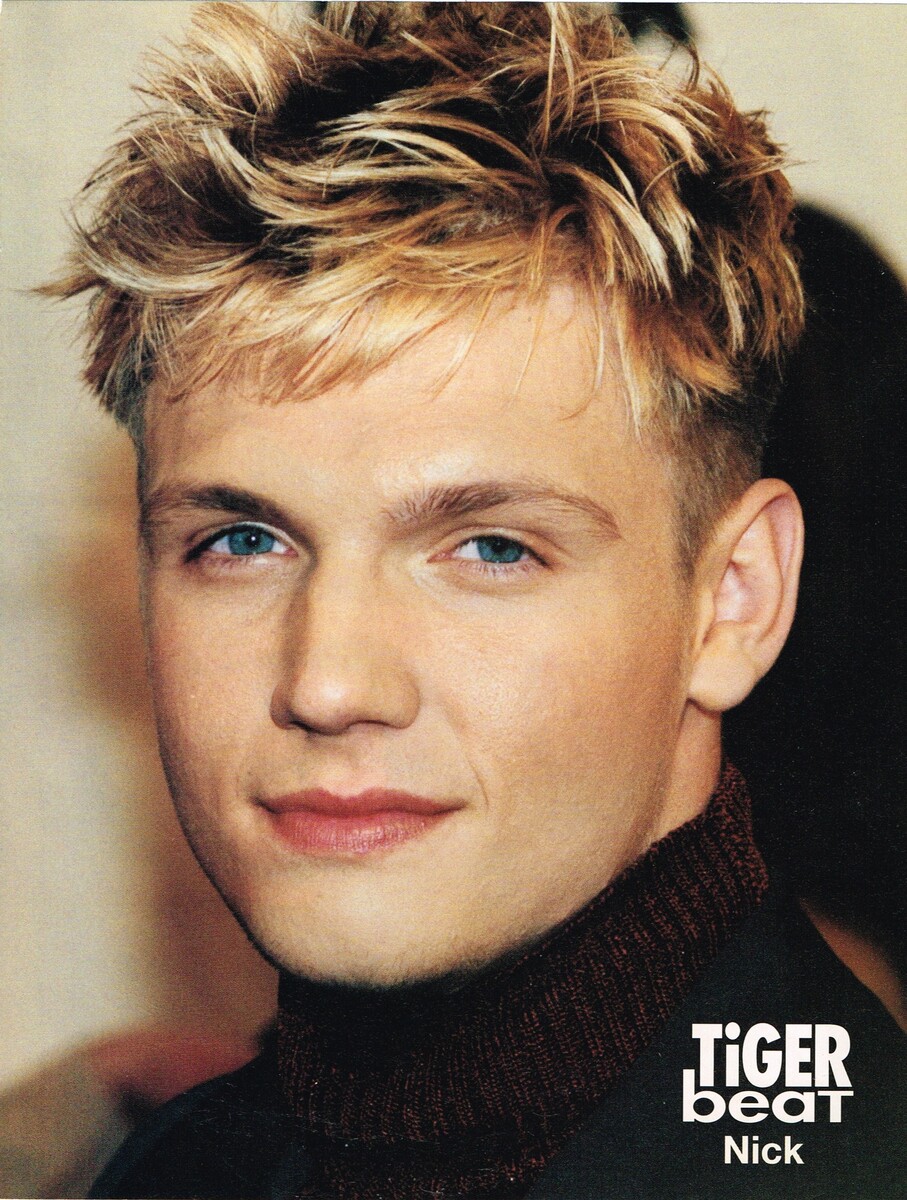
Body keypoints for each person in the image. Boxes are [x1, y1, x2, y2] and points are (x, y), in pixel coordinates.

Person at [44, 4, 904, 1197]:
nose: (326, 682)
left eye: (490, 549)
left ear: (734, 601)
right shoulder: (174, 1172)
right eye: (242, 541)